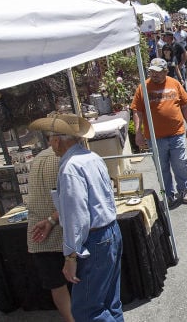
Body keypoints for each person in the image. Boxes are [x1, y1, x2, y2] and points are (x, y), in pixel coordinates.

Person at [29, 114, 123, 322]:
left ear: (56, 140)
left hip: (95, 239)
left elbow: (76, 216)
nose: (50, 144)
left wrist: (71, 257)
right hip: (109, 231)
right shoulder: (92, 157)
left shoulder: (70, 167)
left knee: (88, 311)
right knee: (110, 302)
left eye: (50, 140)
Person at [131, 58, 187, 207]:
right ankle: (168, 194)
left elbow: (185, 105)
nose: (155, 75)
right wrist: (138, 133)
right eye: (152, 72)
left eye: (158, 72)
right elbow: (137, 111)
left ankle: (184, 190)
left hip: (176, 133)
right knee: (162, 167)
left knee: (180, 163)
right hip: (155, 137)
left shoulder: (174, 83)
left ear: (166, 71)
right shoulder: (143, 87)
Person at [26, 146, 74, 322]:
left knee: (57, 285)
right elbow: (70, 197)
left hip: (37, 232)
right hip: (60, 231)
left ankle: (70, 319)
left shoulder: (38, 158)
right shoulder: (65, 158)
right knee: (76, 279)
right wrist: (53, 218)